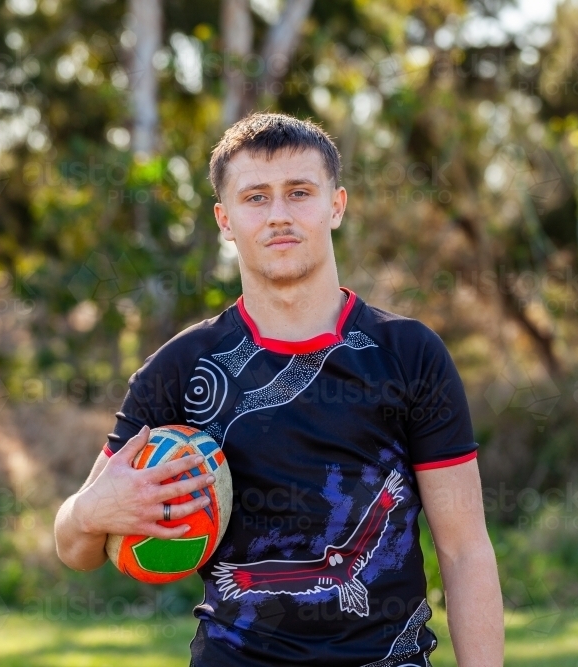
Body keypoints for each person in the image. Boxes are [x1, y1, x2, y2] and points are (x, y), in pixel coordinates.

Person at [54, 113, 504, 666]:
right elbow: (74, 548)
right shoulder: (182, 368)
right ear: (225, 220)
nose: (279, 216)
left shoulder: (408, 355)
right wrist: (90, 512)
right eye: (256, 198)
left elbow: (464, 550)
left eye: (299, 193)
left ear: (336, 205)